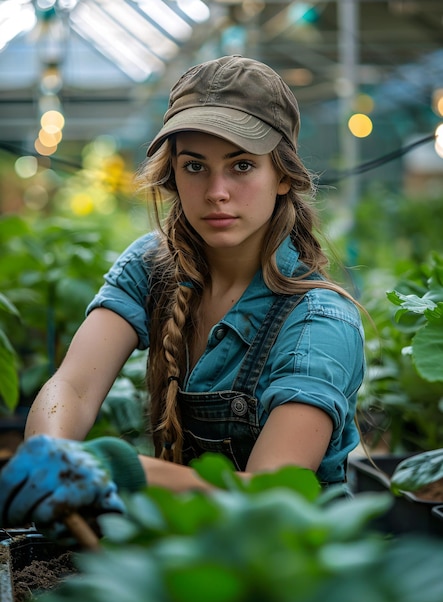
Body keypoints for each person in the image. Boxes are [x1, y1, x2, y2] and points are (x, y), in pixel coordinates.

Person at [0, 55, 365, 533]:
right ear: (172, 172)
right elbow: (73, 386)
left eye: (240, 165)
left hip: (299, 577)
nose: (216, 191)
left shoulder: (319, 323)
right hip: (190, 555)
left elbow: (271, 502)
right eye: (195, 166)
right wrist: (54, 453)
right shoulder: (153, 265)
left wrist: (123, 470)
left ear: (282, 175)